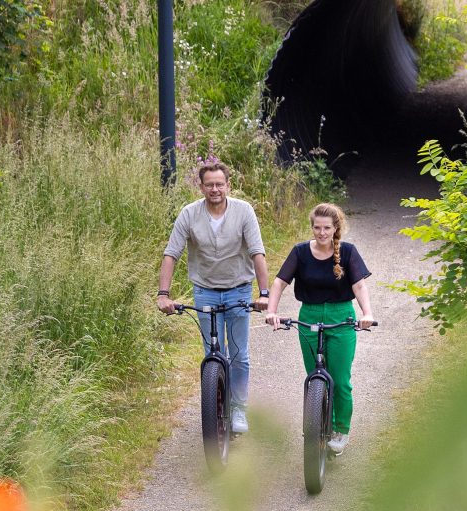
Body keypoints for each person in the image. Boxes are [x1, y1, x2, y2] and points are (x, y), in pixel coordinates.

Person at [157, 161, 270, 434]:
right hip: (205, 289)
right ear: (201, 187)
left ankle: (239, 409)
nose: (215, 189)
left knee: (239, 353)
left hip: (238, 288)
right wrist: (163, 294)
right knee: (213, 353)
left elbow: (257, 252)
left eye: (220, 184)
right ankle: (216, 407)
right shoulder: (189, 214)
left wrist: (264, 294)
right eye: (209, 185)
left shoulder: (244, 211)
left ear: (228, 185)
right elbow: (171, 253)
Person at [264, 202, 373, 454]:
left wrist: (367, 313)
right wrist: (272, 311)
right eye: (316, 227)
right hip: (309, 315)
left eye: (326, 228)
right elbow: (280, 283)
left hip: (341, 317)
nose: (321, 233)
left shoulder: (347, 252)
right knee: (315, 375)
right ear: (312, 227)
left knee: (340, 380)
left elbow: (359, 286)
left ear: (336, 228)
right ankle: (317, 423)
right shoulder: (300, 252)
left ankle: (340, 429)